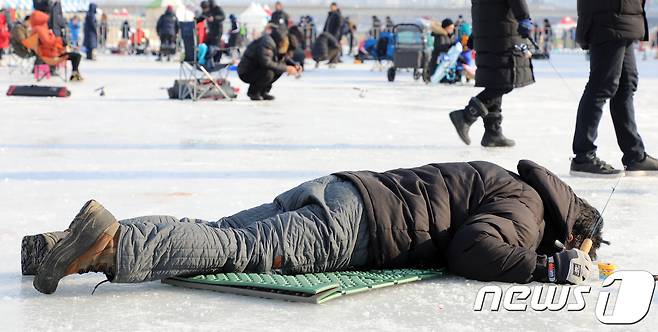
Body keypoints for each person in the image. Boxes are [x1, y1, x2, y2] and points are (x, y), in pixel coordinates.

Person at [25, 160, 603, 295]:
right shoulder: (527, 208)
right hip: (358, 228)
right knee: (234, 247)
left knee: (219, 231)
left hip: (341, 190)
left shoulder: (504, 177)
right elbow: (477, 250)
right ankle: (110, 244)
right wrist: (548, 266)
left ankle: (62, 247)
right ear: (570, 225)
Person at [570, 0, 658, 176]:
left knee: (626, 85)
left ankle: (635, 155)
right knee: (602, 85)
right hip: (608, 17)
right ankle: (583, 156)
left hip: (624, 17)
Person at [449, 0, 535, 148]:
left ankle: (492, 133)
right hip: (503, 36)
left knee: (496, 82)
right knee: (505, 82)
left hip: (488, 35)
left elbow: (484, 10)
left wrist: (475, 35)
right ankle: (466, 116)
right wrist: (524, 18)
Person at [237, 25, 301, 100]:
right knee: (269, 72)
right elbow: (266, 62)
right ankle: (253, 92)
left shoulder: (278, 42)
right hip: (246, 71)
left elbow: (283, 57)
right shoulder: (267, 42)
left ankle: (263, 92)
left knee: (279, 69)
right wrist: (286, 68)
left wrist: (294, 65)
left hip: (256, 68)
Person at [26, 10, 83, 80]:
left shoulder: (37, 28)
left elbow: (47, 42)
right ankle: (74, 75)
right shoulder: (40, 29)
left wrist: (53, 37)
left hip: (50, 53)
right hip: (51, 55)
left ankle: (75, 75)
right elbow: (48, 42)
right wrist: (59, 40)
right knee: (77, 56)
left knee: (75, 54)